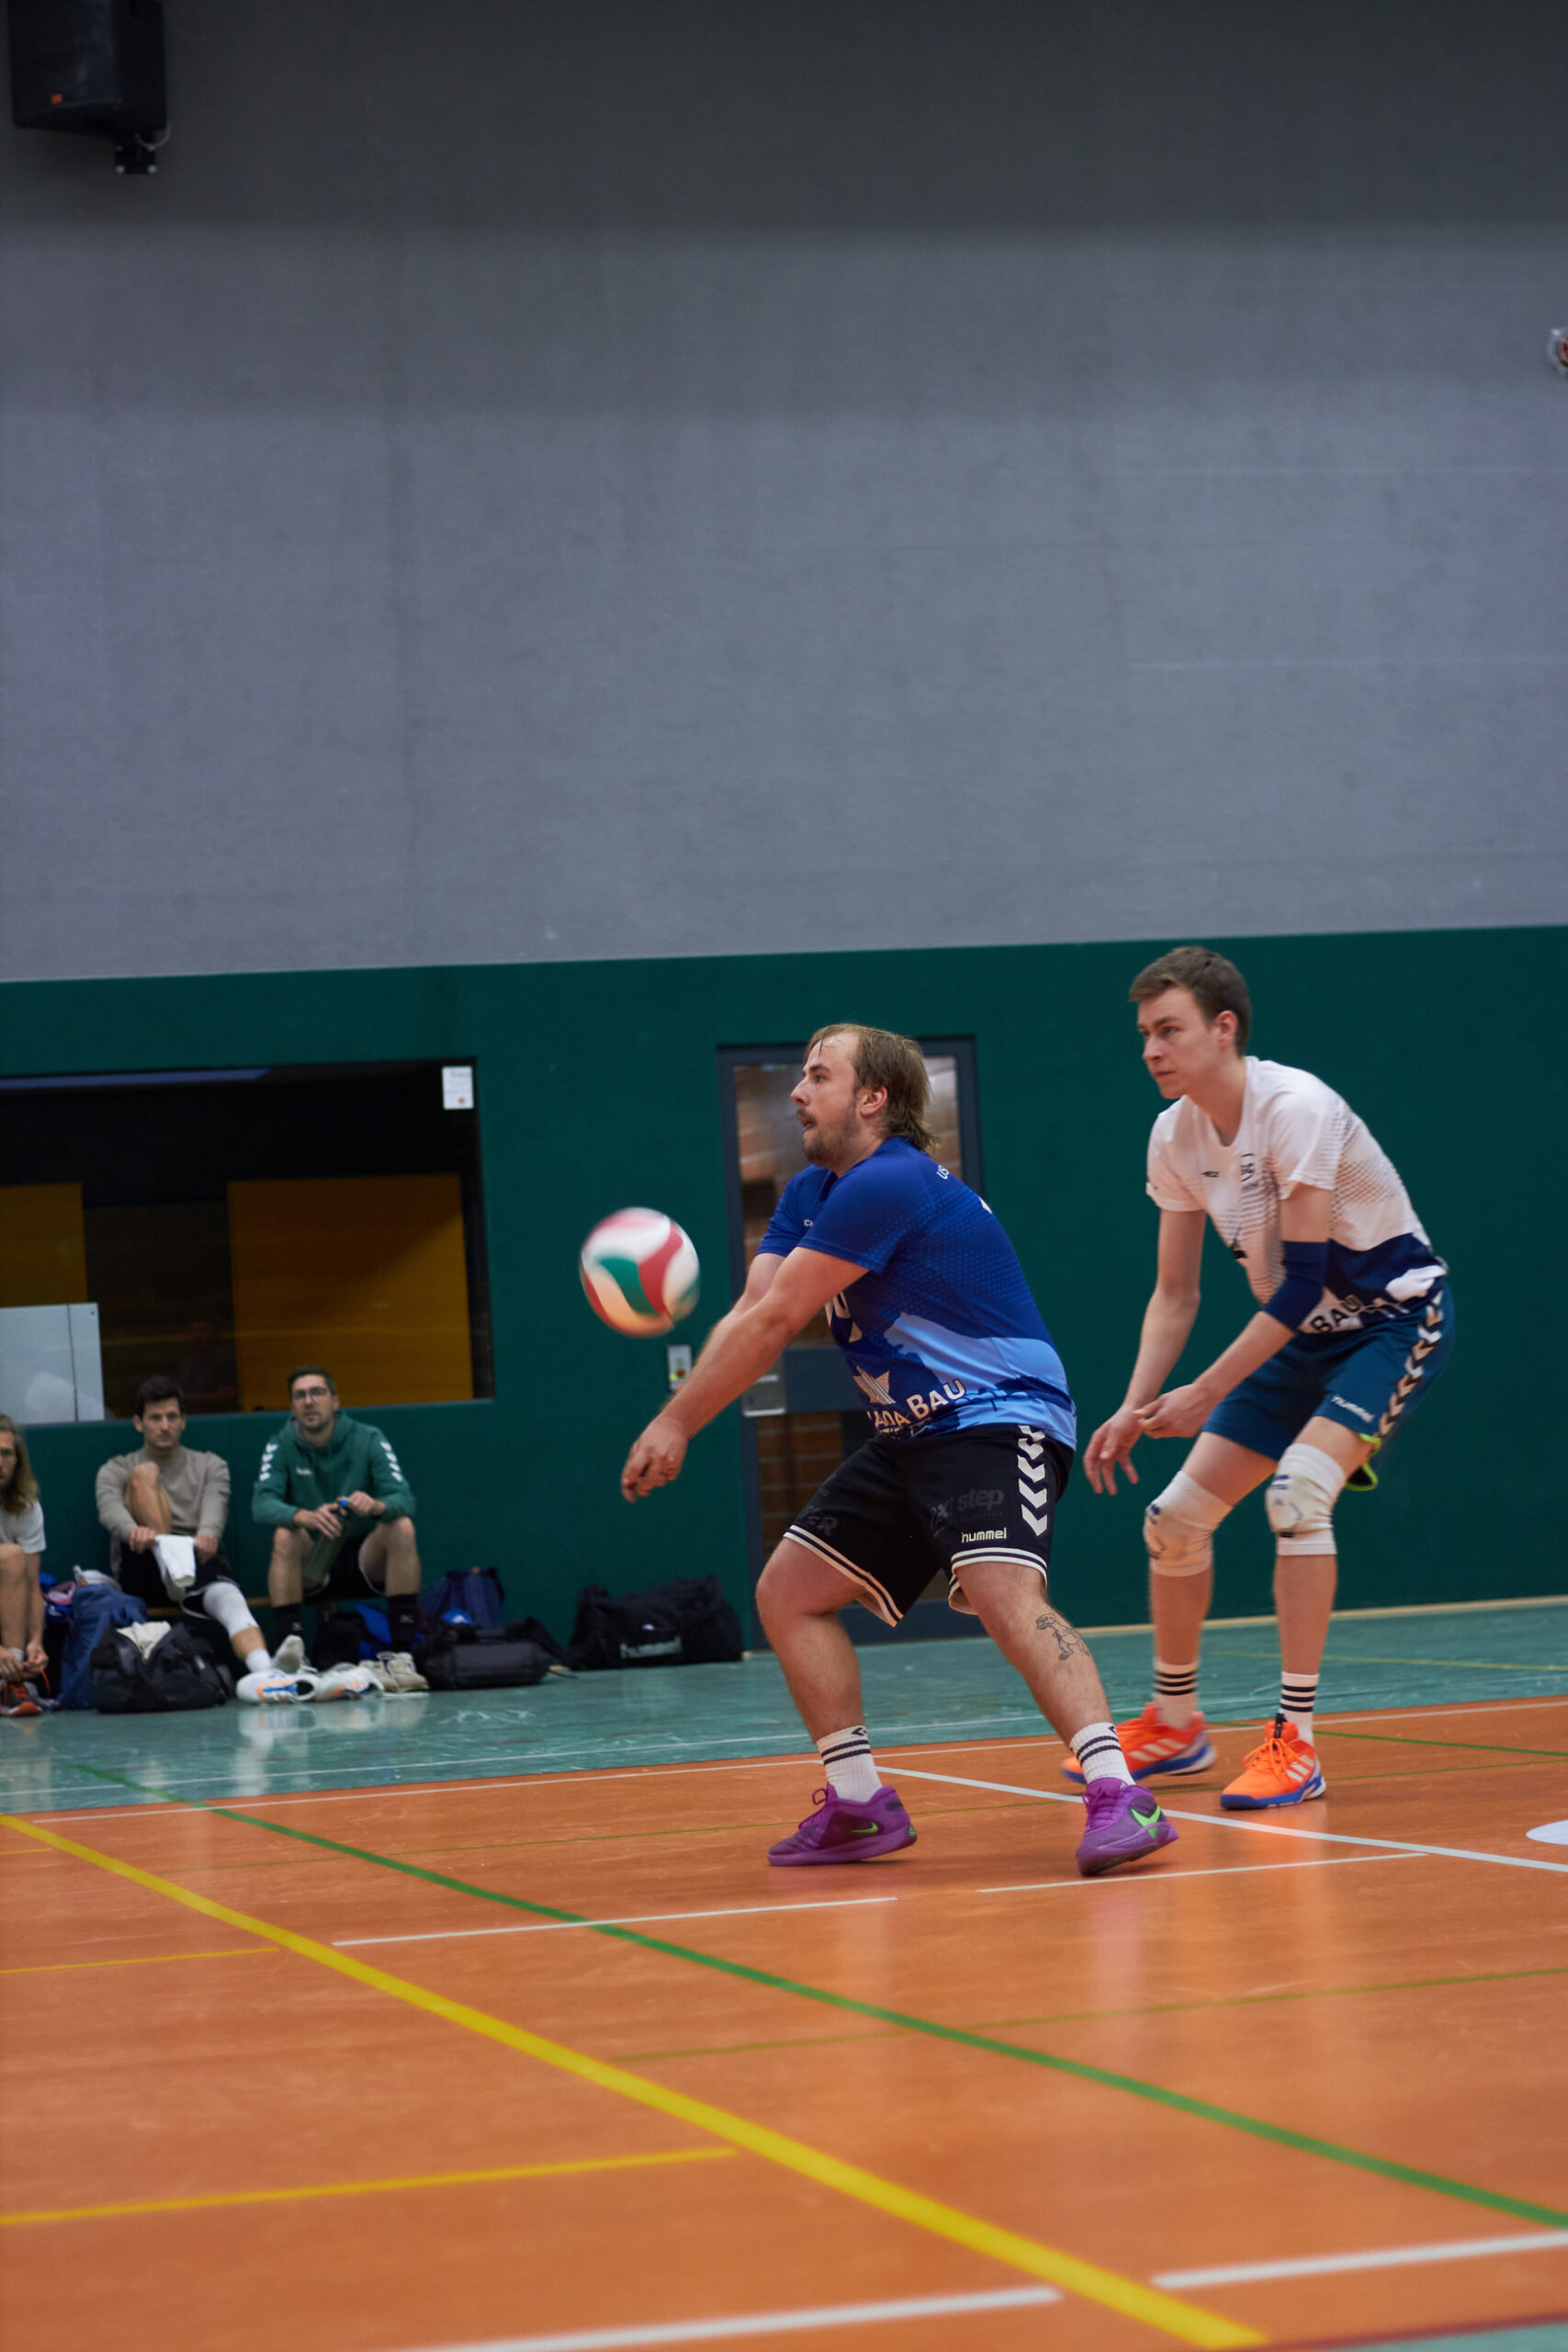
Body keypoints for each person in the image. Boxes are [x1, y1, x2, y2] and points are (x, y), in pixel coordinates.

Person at [622, 1024, 1177, 1878]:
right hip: (909, 1434)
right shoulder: (811, 1192)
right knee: (788, 1594)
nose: (797, 1093)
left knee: (1001, 1591)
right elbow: (753, 1309)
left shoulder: (892, 1180)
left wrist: (675, 1422)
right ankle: (858, 1805)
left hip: (997, 1417)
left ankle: (1118, 1791)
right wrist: (681, 1404)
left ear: (873, 1097)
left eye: (818, 1076)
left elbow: (778, 1322)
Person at [1080, 944, 1452, 1809]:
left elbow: (1297, 1282)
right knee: (1173, 1521)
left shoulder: (1294, 1107)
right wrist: (1133, 1405)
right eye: (1143, 1034)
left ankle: (1296, 1744)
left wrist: (1204, 1391)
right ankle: (1176, 1724)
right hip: (1300, 1339)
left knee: (1296, 1497)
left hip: (1390, 1322)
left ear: (1224, 1028)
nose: (1151, 1049)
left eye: (1168, 1030)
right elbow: (1174, 1294)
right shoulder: (1172, 1136)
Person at [96, 1377, 281, 1693]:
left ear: (183, 1421)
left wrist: (208, 1535)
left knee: (230, 1598)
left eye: (172, 1417)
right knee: (144, 1474)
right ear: (139, 1423)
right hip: (143, 1561)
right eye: (155, 1418)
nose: (165, 1426)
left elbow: (214, 1510)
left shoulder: (210, 1464)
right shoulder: (117, 1467)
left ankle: (267, 1672)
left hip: (196, 1560)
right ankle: (170, 1566)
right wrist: (134, 1532)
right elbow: (109, 1511)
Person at [253, 1366, 426, 1688]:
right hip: (315, 1561)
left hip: (365, 1558)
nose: (308, 1401)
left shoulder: (368, 1438)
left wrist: (375, 1506)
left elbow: (404, 1498)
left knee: (401, 1526)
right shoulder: (281, 1444)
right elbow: (261, 1503)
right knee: (285, 1534)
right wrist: (303, 1516)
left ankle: (402, 1656)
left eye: (317, 1393)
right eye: (300, 1396)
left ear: (335, 1401)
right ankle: (295, 1661)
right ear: (292, 1407)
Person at [0, 1415, 49, 1711]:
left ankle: (12, 1683)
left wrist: (36, 1642)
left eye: (6, 1453)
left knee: (13, 1558)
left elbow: (32, 1586)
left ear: (17, 1461)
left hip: (8, 1617)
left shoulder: (27, 1507)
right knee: (8, 1556)